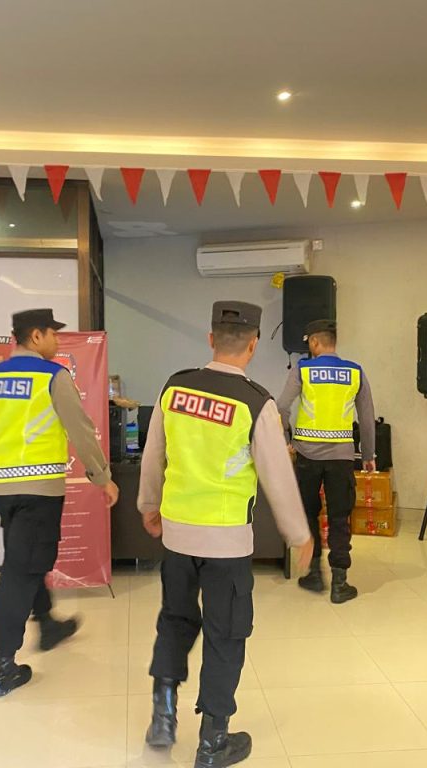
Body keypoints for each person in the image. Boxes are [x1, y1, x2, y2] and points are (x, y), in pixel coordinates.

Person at [138, 300, 313, 768]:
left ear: (211, 339)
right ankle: (213, 740)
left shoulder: (175, 388)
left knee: (175, 620)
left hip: (177, 535)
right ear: (253, 346)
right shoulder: (257, 403)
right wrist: (299, 535)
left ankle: (163, 717)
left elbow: (154, 453)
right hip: (226, 540)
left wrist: (149, 505)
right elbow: (277, 476)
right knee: (226, 633)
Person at [0, 308, 119, 697]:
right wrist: (102, 477)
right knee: (20, 571)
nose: (56, 340)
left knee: (24, 559)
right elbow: (80, 430)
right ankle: (1, 667)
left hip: (3, 492)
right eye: (53, 334)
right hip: (39, 491)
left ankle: (47, 624)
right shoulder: (52, 376)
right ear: (36, 336)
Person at [276, 318, 376, 603]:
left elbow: (281, 407)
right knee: (339, 517)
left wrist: (287, 439)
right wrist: (368, 455)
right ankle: (340, 583)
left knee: (309, 513)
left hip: (306, 455)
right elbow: (366, 418)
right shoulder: (355, 372)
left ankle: (315, 573)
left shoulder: (303, 369)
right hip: (341, 458)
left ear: (314, 342)